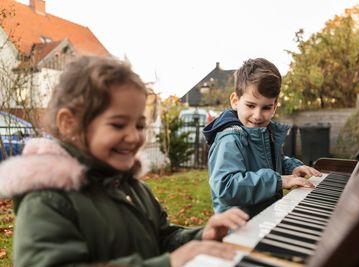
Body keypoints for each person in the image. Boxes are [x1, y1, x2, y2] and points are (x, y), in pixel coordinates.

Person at [0, 55, 249, 267]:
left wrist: (199, 236)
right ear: (70, 123)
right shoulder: (48, 199)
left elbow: (161, 237)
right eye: (118, 124)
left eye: (140, 124)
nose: (133, 136)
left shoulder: (131, 187)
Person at [203, 58, 322, 218]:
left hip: (264, 221)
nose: (258, 116)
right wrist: (279, 181)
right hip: (239, 229)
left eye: (266, 107)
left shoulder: (266, 132)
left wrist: (291, 168)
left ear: (274, 106)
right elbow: (226, 186)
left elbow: (271, 160)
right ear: (235, 101)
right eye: (251, 106)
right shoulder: (230, 138)